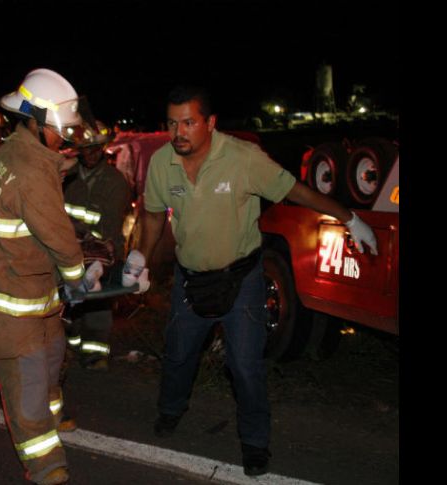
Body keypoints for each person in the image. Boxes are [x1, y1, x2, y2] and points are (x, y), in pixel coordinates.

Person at [124, 85, 379, 477]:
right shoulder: (162, 163)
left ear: (210, 123)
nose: (179, 132)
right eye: (172, 123)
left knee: (245, 367)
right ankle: (170, 411)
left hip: (242, 281)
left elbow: (295, 191)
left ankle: (255, 443)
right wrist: (140, 257)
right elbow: (154, 216)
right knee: (177, 357)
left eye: (189, 122)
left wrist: (349, 217)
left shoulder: (243, 159)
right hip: (190, 282)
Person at [0, 68, 100, 485]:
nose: (64, 141)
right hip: (11, 302)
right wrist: (80, 276)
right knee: (26, 383)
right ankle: (45, 464)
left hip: (34, 290)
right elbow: (60, 239)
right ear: (38, 121)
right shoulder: (29, 170)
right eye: (60, 132)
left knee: (50, 359)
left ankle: (52, 418)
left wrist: (56, 167)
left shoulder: (22, 154)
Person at [62, 120, 131, 371]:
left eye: (95, 148)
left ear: (103, 148)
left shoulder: (115, 182)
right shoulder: (66, 179)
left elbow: (108, 227)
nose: (90, 153)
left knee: (98, 304)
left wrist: (74, 227)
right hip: (70, 252)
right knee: (71, 302)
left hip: (104, 254)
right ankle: (71, 345)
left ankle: (95, 354)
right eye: (85, 148)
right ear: (78, 149)